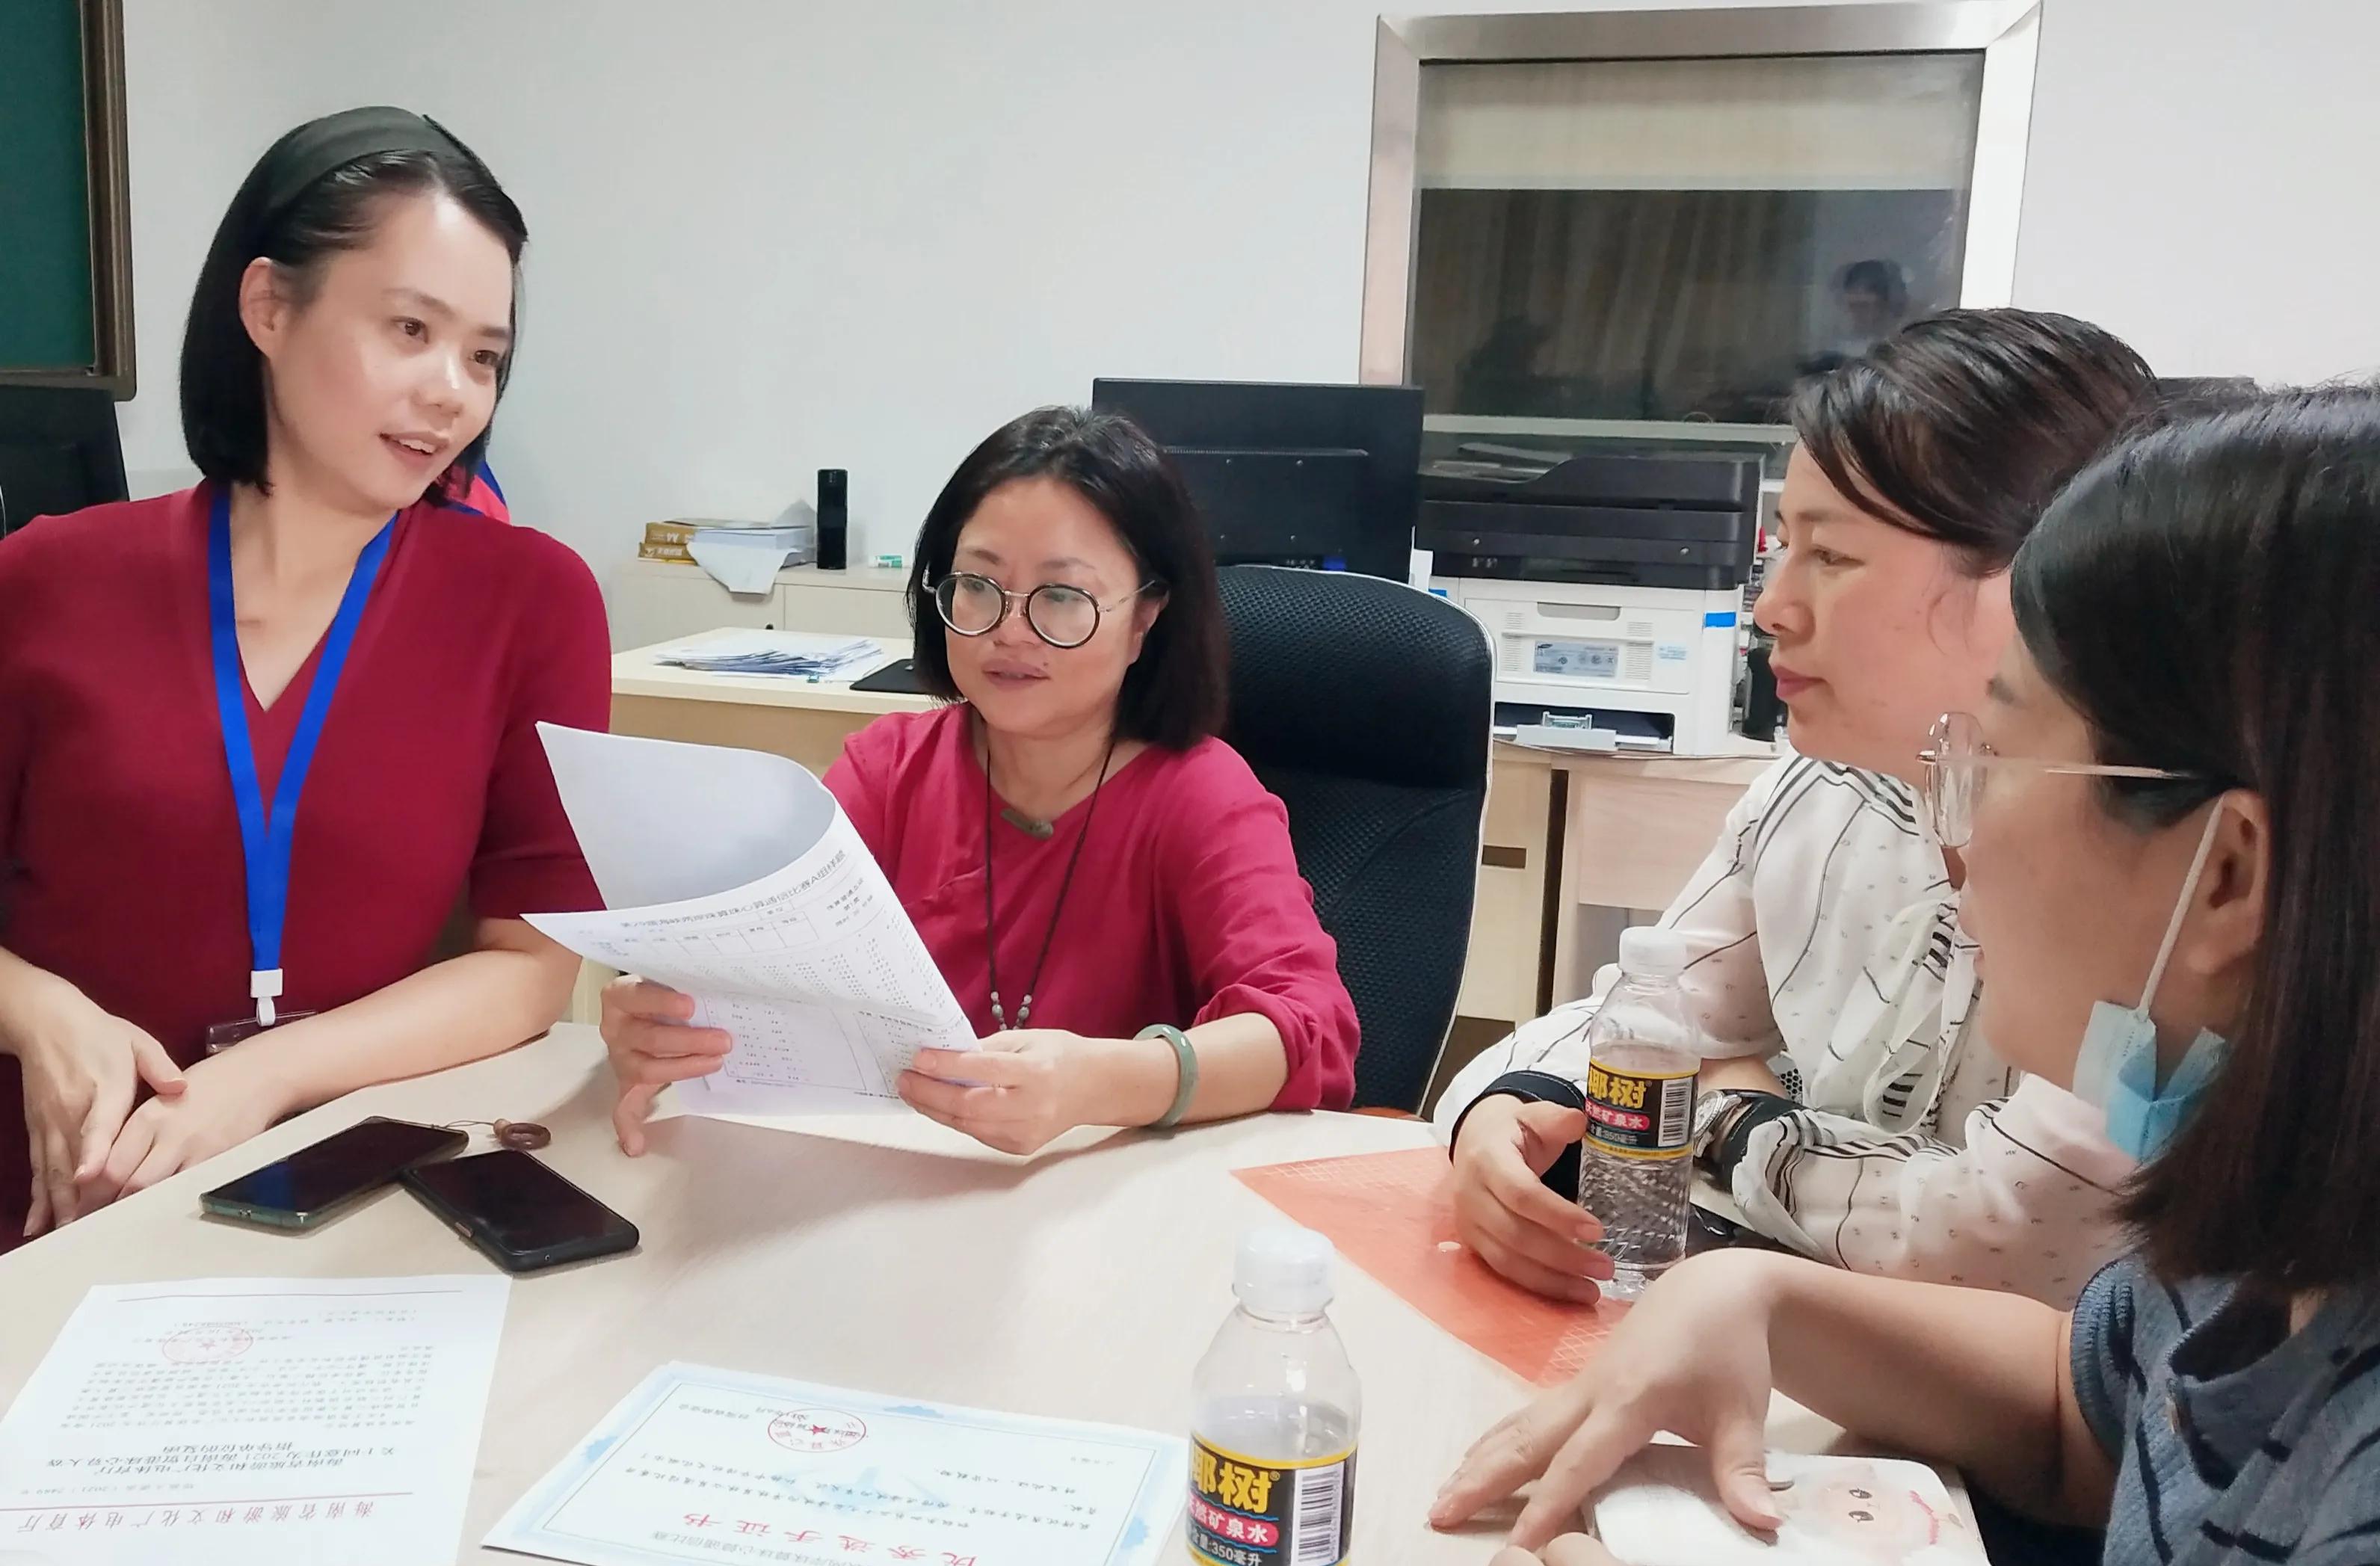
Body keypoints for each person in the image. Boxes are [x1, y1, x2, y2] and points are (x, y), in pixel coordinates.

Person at [1435, 385, 2380, 1566]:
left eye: (1993, 754)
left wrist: (1725, 1122)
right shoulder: (2268, 1240)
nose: (1955, 834)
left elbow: (1991, 1234)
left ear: (2228, 872)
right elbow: (2073, 1411)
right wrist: (1764, 1301)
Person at [1435, 309, 2157, 1307]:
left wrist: (1729, 1119)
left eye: (1832, 556)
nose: (1772, 604)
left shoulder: (2151, 857)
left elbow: (1997, 1232)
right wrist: (1508, 1107)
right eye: (1784, 547)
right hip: (1800, 1361)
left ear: (2034, 575)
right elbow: (1642, 1011)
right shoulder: (1823, 787)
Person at [0, 107, 607, 1247]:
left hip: (357, 1189)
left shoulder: (530, 599)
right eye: (410, 329)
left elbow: (528, 965)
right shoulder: (42, 581)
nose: (452, 392)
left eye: (484, 355)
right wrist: (34, 1006)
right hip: (69, 1200)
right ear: (268, 307)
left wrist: (263, 1075)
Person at [602, 407, 1359, 1155]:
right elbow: (765, 971)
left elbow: (1311, 1031)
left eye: (1063, 597)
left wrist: (1101, 1083)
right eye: (978, 585)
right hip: (895, 1197)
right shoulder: (888, 770)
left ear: (1145, 618)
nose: (1009, 630)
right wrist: (667, 1017)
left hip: (1098, 1219)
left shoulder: (1199, 794)